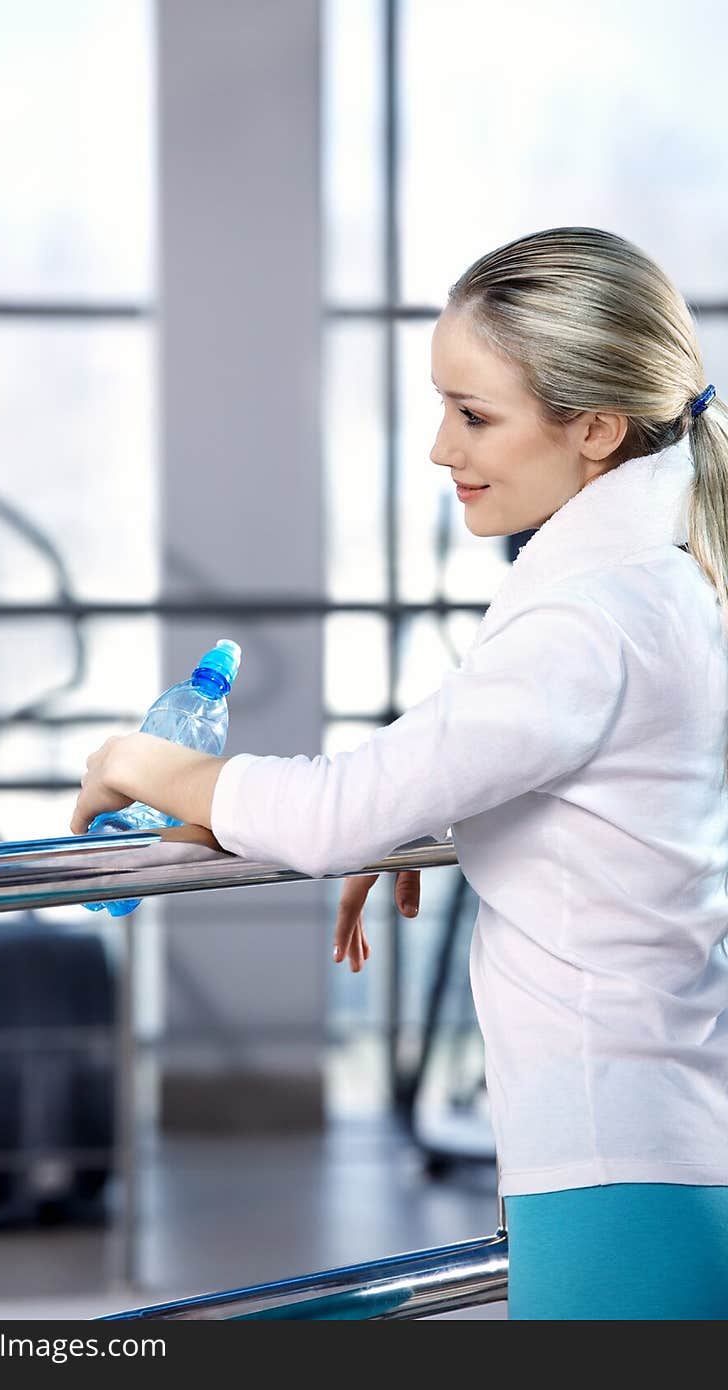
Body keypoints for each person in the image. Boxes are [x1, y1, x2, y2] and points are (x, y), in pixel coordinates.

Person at [71, 226, 728, 1320]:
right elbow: (541, 776)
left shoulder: (586, 614)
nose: (439, 448)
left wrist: (144, 760)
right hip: (651, 1147)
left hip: (615, 1170)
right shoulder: (655, 580)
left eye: (474, 415)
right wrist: (435, 820)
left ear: (597, 430)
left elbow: (331, 814)